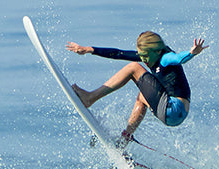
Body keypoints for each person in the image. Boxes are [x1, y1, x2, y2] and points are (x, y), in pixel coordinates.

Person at [65, 31, 209, 142]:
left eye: (145, 56)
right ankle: (125, 138)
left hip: (173, 108)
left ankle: (90, 98)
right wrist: (89, 49)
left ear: (157, 51)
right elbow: (118, 53)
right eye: (141, 56)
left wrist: (192, 53)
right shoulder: (151, 55)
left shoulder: (165, 57)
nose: (144, 60)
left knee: (133, 67)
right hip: (176, 114)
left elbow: (179, 58)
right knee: (141, 97)